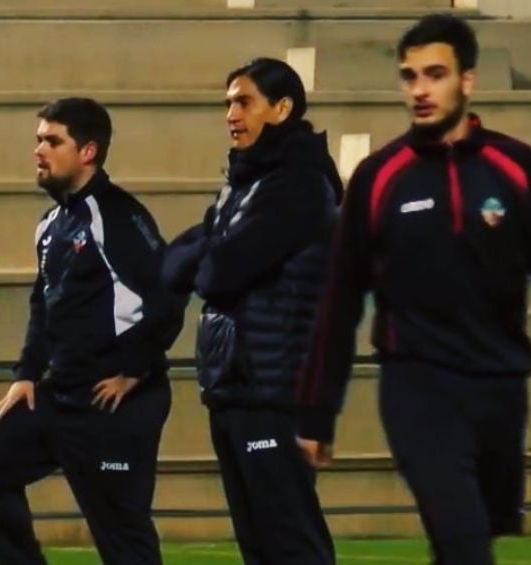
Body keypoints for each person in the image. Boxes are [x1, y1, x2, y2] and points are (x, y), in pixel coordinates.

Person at [295, 14, 531, 565]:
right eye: (410, 76)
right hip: (417, 386)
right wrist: (316, 411)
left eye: (435, 74)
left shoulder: (512, 168)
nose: (420, 89)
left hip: (499, 386)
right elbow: (339, 301)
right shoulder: (380, 178)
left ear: (467, 79)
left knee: (470, 536)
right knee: (464, 540)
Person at [0, 97, 185, 565]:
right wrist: (25, 374)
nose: (39, 150)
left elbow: (170, 292)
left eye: (52, 141)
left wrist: (135, 371)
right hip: (61, 394)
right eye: (39, 139)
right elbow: (44, 304)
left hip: (115, 403)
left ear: (88, 152)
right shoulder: (51, 225)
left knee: (123, 538)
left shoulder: (117, 215)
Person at [163, 58, 342, 565]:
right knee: (258, 543)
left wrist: (210, 255)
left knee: (291, 540)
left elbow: (217, 273)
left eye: (243, 102)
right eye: (227, 104)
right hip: (235, 385)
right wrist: (212, 254)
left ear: (282, 108)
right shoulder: (244, 185)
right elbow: (172, 266)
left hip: (272, 385)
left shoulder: (300, 184)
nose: (231, 114)